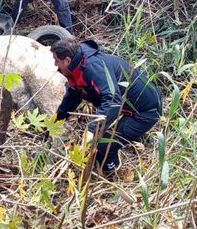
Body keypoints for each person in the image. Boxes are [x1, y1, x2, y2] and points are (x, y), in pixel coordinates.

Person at [51, 37, 162, 174]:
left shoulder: (92, 68)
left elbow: (112, 101)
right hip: (128, 105)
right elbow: (73, 96)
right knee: (99, 140)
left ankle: (112, 175)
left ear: (67, 61)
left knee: (103, 146)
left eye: (56, 60)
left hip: (145, 111)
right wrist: (57, 120)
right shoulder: (77, 65)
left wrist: (91, 130)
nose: (55, 65)